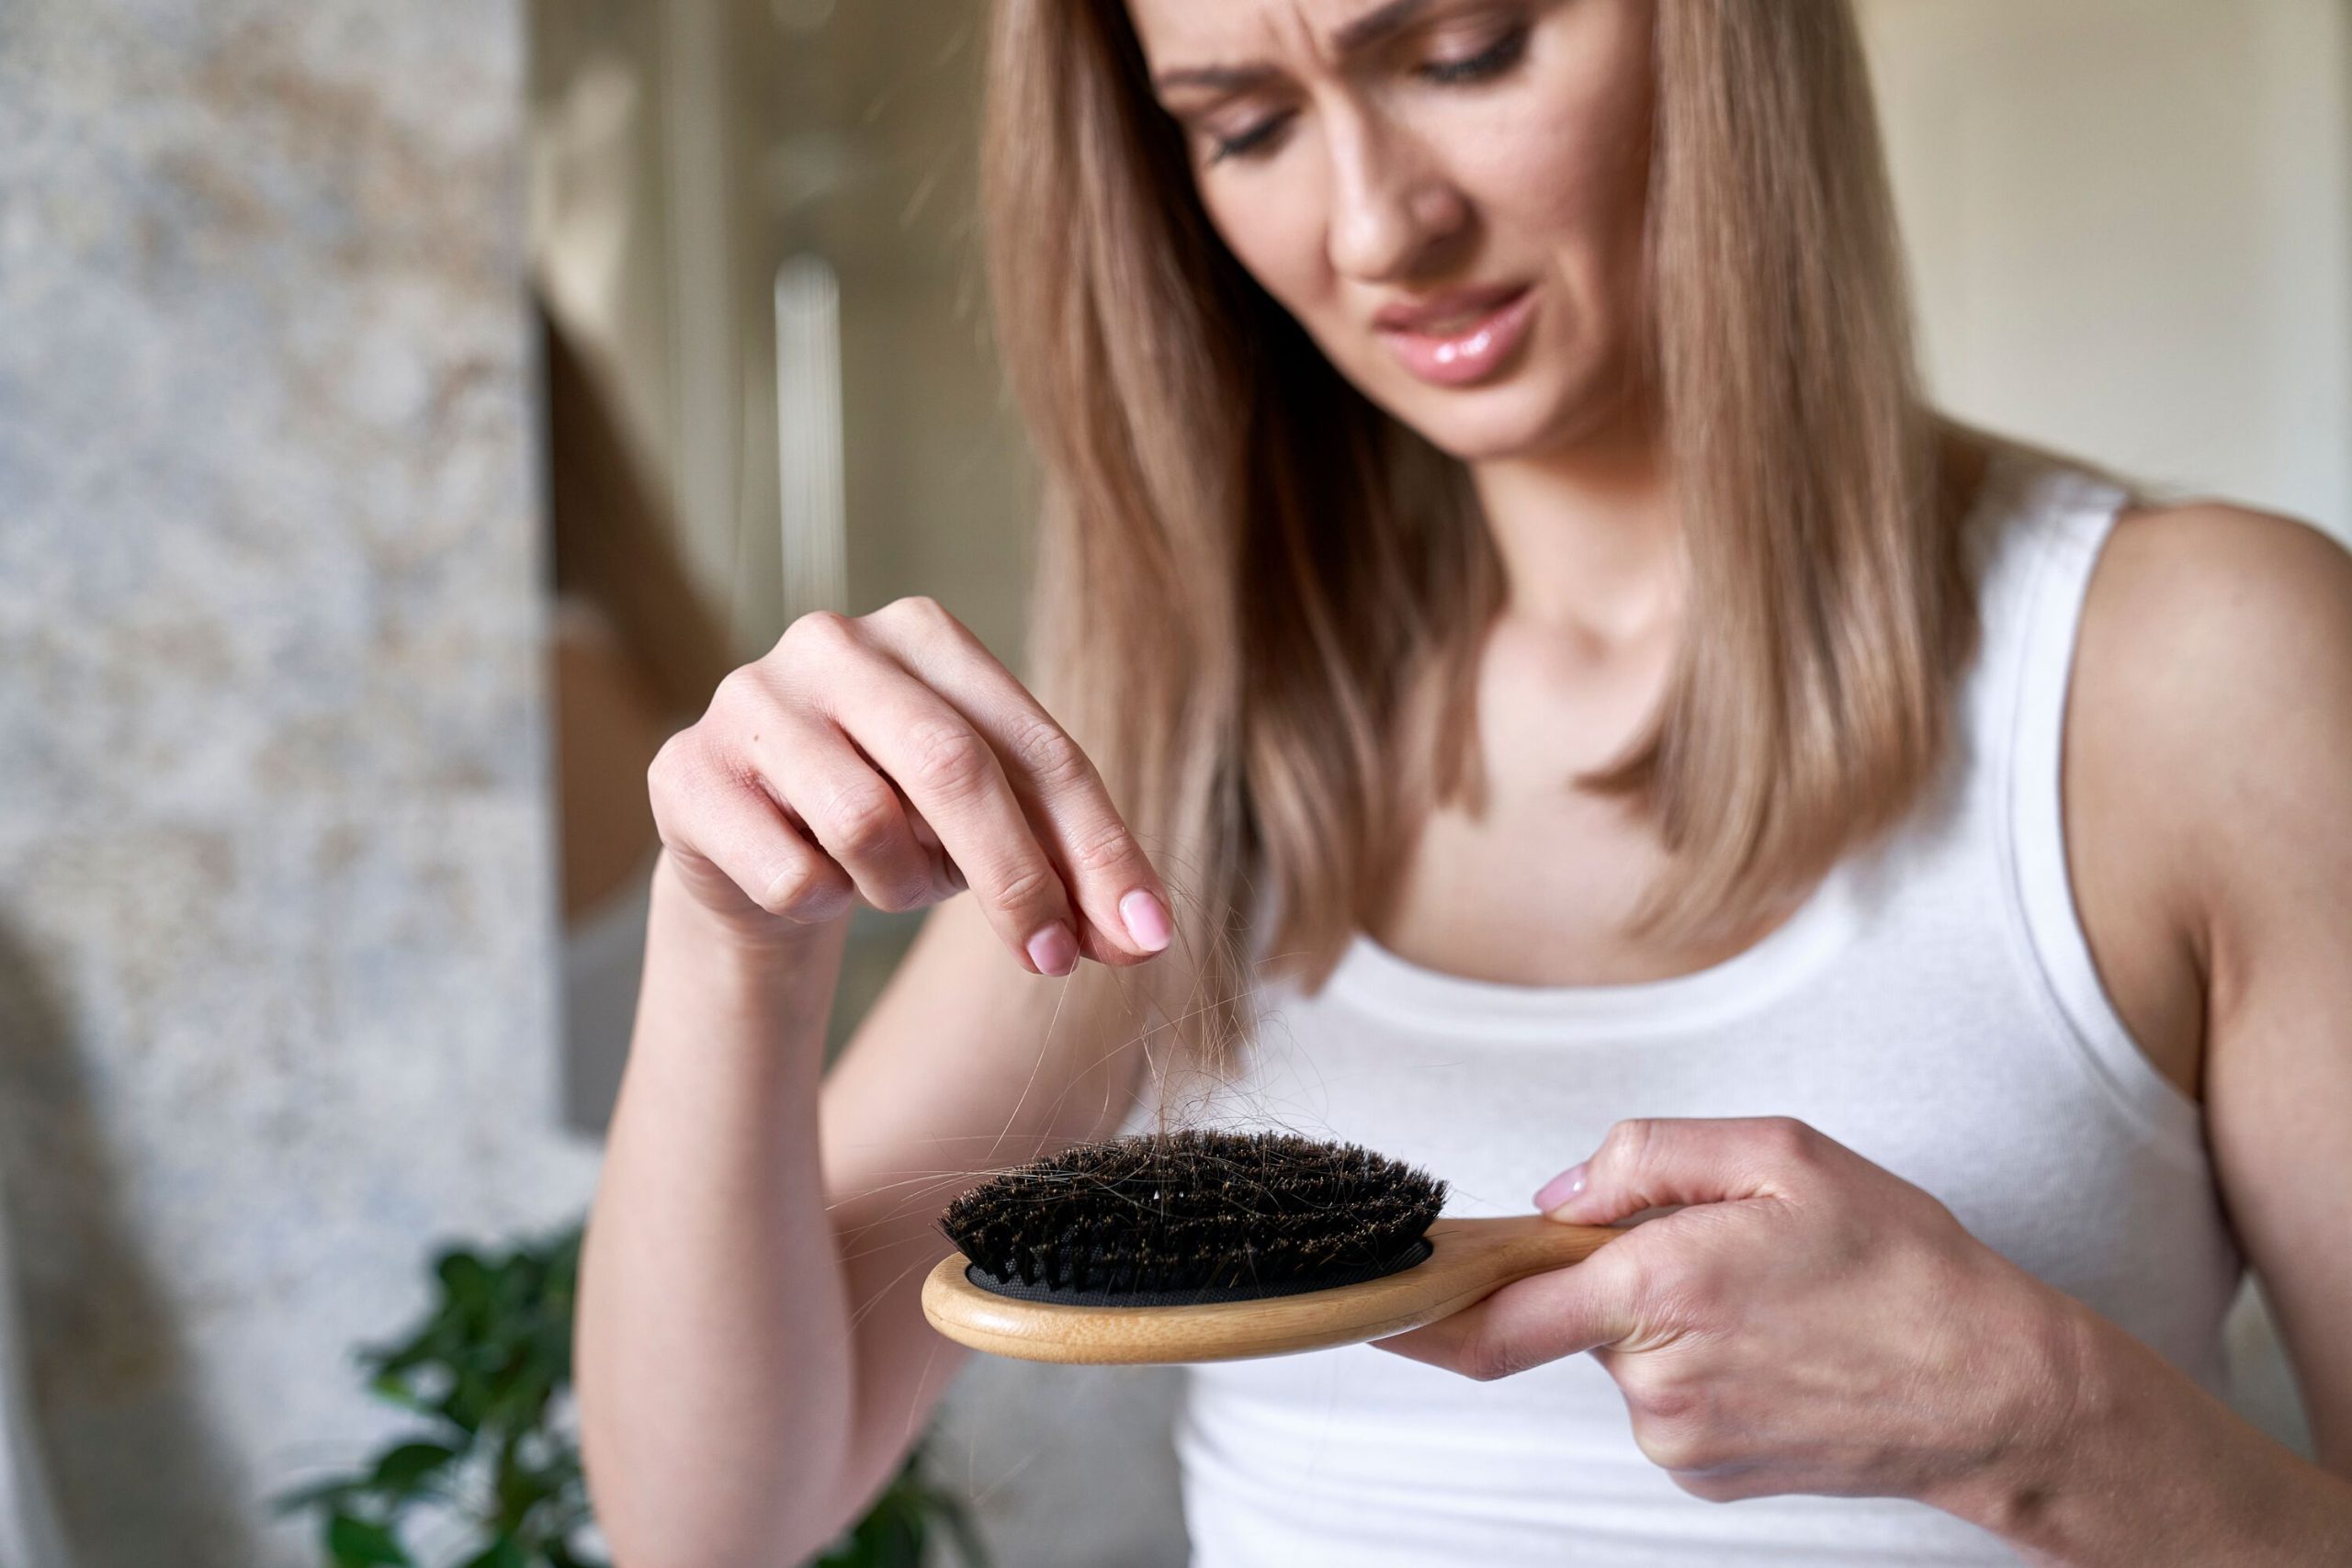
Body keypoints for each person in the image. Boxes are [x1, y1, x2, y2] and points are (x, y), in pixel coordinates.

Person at [574, 1, 2352, 1562]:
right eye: (1244, 125)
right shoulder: (1201, 735)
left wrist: (2046, 1433)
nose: (1376, 225)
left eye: (1462, 50)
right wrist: (731, 935)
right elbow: (711, 1520)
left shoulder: (2206, 671)